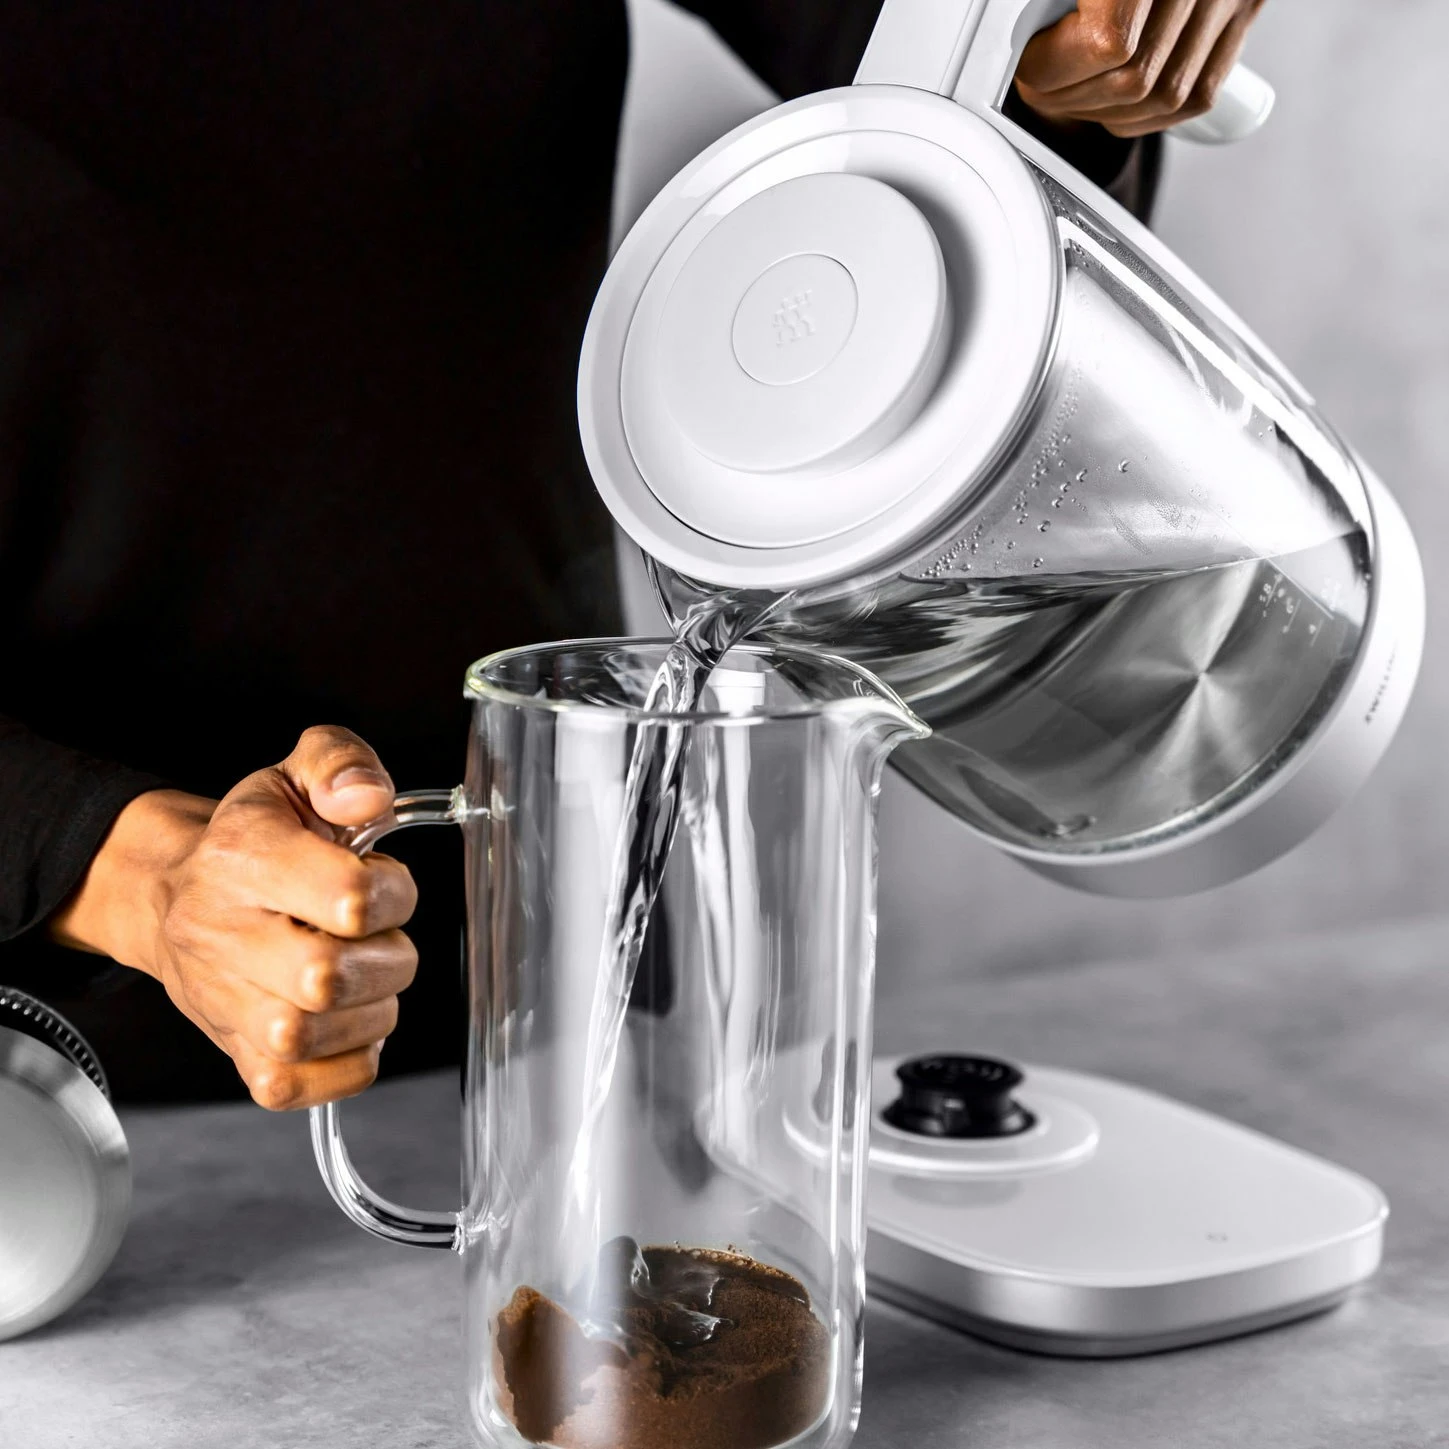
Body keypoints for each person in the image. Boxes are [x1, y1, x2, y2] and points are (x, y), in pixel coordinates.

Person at [0, 0, 1268, 1108]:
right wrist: (138, 874)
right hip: (55, 1105)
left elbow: (941, 63)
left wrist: (1060, 53)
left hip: (552, 961)